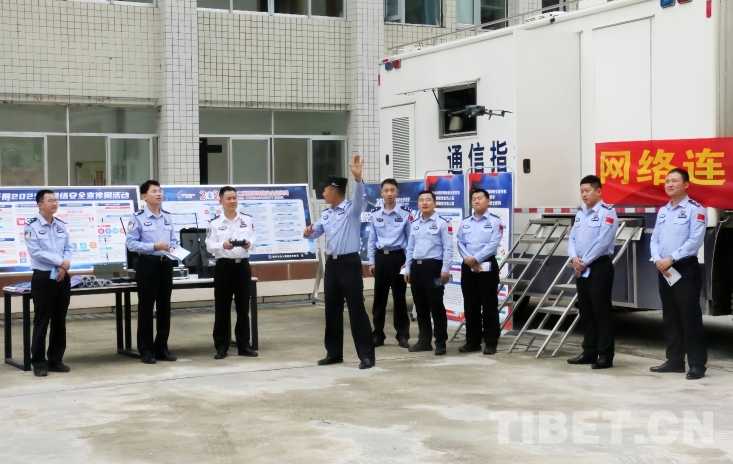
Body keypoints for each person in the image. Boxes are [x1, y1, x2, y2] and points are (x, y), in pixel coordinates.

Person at [303, 155, 376, 369]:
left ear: (334, 191)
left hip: (349, 264)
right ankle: (334, 353)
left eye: (325, 190)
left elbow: (359, 196)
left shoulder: (352, 210)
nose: (323, 194)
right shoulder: (327, 214)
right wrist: (307, 232)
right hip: (332, 266)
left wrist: (358, 178)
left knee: (356, 309)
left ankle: (366, 356)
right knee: (332, 310)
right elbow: (314, 232)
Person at [650, 168, 708, 380]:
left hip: (684, 268)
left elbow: (695, 240)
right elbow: (655, 238)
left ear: (686, 184)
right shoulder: (663, 211)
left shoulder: (696, 209)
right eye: (667, 181)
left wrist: (671, 258)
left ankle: (697, 364)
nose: (669, 184)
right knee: (671, 316)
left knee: (689, 317)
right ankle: (674, 361)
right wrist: (658, 258)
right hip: (664, 269)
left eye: (674, 181)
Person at [566, 175, 619, 370]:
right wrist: (574, 258)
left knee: (601, 312)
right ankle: (589, 351)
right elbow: (572, 238)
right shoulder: (581, 213)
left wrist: (584, 261)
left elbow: (603, 241)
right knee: (586, 311)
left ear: (599, 191)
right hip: (581, 266)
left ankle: (605, 355)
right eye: (581, 191)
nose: (584, 194)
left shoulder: (608, 212)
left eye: (587, 190)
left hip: (598, 266)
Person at [125, 180, 179, 365]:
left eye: (160, 191)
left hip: (166, 265)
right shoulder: (137, 218)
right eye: (154, 191)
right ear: (144, 196)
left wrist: (173, 248)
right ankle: (146, 349)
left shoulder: (167, 217)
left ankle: (161, 347)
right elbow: (131, 244)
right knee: (146, 308)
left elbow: (173, 240)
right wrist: (153, 246)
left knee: (164, 307)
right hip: (147, 265)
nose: (158, 194)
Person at [205, 186, 258, 360]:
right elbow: (209, 246)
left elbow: (254, 239)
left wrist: (249, 244)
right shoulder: (214, 223)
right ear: (221, 201)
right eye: (228, 198)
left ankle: (244, 345)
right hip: (224, 267)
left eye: (234, 198)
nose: (232, 201)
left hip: (242, 266)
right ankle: (221, 346)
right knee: (222, 307)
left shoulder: (246, 219)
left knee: (243, 307)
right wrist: (223, 245)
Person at [24, 190, 73, 377]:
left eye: (55, 200)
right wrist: (60, 262)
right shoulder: (31, 226)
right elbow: (36, 252)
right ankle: (38, 362)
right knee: (42, 320)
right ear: (40, 205)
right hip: (43, 278)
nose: (54, 203)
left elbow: (68, 248)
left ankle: (55, 360)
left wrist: (65, 265)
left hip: (62, 276)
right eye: (50, 200)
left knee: (59, 321)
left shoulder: (61, 225)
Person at [404, 191, 453, 355]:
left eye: (428, 200)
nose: (424, 203)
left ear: (434, 203)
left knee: (436, 305)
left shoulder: (443, 223)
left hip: (434, 269)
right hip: (417, 269)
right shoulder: (415, 223)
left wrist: (445, 269)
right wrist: (408, 268)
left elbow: (448, 248)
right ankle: (424, 341)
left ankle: (440, 343)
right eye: (421, 200)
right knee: (420, 306)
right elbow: (410, 248)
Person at [456, 189, 504, 356]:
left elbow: (493, 244)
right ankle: (473, 341)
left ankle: (491, 342)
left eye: (480, 198)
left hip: (487, 265)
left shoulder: (495, 221)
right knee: (470, 304)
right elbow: (460, 242)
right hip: (467, 265)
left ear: (488, 201)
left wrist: (475, 258)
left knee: (489, 305)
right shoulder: (465, 222)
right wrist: (468, 260)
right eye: (474, 199)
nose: (476, 201)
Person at [368, 178, 412, 348]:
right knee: (379, 298)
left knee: (399, 298)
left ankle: (402, 335)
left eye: (392, 190)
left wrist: (408, 262)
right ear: (381, 193)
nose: (389, 194)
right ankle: (378, 334)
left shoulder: (405, 214)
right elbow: (372, 240)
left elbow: (411, 241)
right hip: (381, 259)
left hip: (398, 258)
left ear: (397, 193)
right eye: (386, 190)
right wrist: (372, 262)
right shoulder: (375, 214)